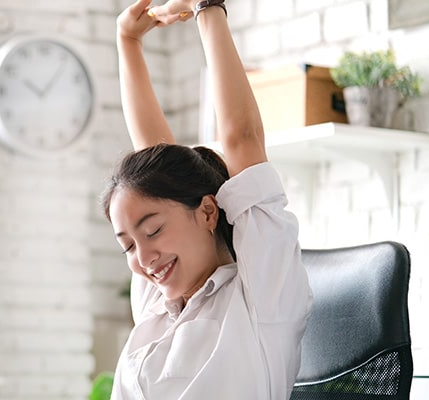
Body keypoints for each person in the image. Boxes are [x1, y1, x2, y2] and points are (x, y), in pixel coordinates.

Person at [101, 0, 313, 398]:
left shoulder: (260, 297)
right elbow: (155, 170)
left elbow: (242, 139)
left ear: (208, 212)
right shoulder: (157, 305)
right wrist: (127, 41)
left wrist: (208, 7)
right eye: (128, 244)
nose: (143, 259)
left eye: (153, 231)